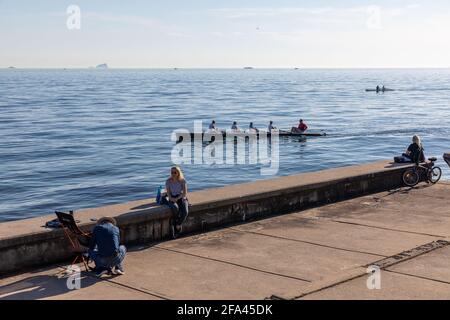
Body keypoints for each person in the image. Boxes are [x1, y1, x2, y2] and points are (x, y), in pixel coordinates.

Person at [164, 166, 189, 238]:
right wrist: (171, 198)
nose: (173, 174)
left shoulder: (182, 180)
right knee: (175, 208)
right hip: (172, 197)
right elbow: (168, 192)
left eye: (175, 172)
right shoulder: (168, 181)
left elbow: (184, 193)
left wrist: (178, 198)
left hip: (181, 197)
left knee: (185, 212)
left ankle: (178, 225)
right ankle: (175, 226)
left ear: (178, 173)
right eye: (172, 172)